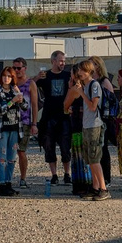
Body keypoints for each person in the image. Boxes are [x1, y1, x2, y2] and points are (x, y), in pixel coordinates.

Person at [72, 59, 110, 201]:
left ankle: (103, 188)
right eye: (78, 70)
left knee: (95, 158)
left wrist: (81, 93)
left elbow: (93, 106)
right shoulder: (86, 85)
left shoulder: (94, 85)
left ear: (89, 71)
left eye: (82, 70)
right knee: (89, 159)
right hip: (87, 125)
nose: (79, 73)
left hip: (95, 125)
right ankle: (95, 187)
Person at [36, 51, 72, 185]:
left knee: (65, 146)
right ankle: (54, 175)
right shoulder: (46, 76)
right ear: (53, 61)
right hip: (48, 116)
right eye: (61, 61)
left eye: (64, 61)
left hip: (64, 116)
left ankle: (67, 174)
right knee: (49, 146)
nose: (63, 63)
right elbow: (30, 86)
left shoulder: (68, 75)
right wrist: (36, 77)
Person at [0, 67, 28, 196]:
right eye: (4, 76)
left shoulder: (15, 91)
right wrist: (11, 102)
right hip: (3, 130)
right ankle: (1, 184)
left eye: (9, 76)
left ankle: (8, 183)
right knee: (2, 158)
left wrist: (20, 97)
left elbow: (25, 107)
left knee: (12, 158)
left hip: (14, 129)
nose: (6, 78)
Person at [63, 64, 92, 196]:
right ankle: (90, 183)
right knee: (87, 155)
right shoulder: (89, 86)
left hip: (77, 125)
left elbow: (65, 105)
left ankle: (82, 184)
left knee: (80, 155)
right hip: (86, 124)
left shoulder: (75, 89)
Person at [12, 57, 39, 189]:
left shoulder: (30, 83)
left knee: (21, 151)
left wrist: (34, 123)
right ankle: (6, 177)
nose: (17, 71)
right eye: (14, 68)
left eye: (19, 68)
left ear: (25, 68)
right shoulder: (10, 82)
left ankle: (23, 178)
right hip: (10, 121)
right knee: (9, 151)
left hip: (25, 121)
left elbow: (34, 105)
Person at [90, 55, 115, 186]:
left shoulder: (104, 81)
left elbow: (111, 101)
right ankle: (96, 179)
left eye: (91, 64)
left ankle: (106, 177)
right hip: (93, 119)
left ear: (98, 66)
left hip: (104, 119)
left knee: (103, 148)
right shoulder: (89, 81)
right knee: (96, 150)